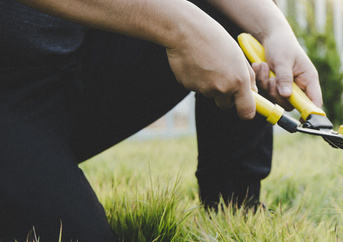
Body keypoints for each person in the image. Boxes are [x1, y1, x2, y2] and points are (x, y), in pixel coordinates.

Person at [0, 0, 321, 240]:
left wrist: (272, 27)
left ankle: (234, 210)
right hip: (10, 91)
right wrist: (180, 26)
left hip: (76, 58)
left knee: (233, 16)